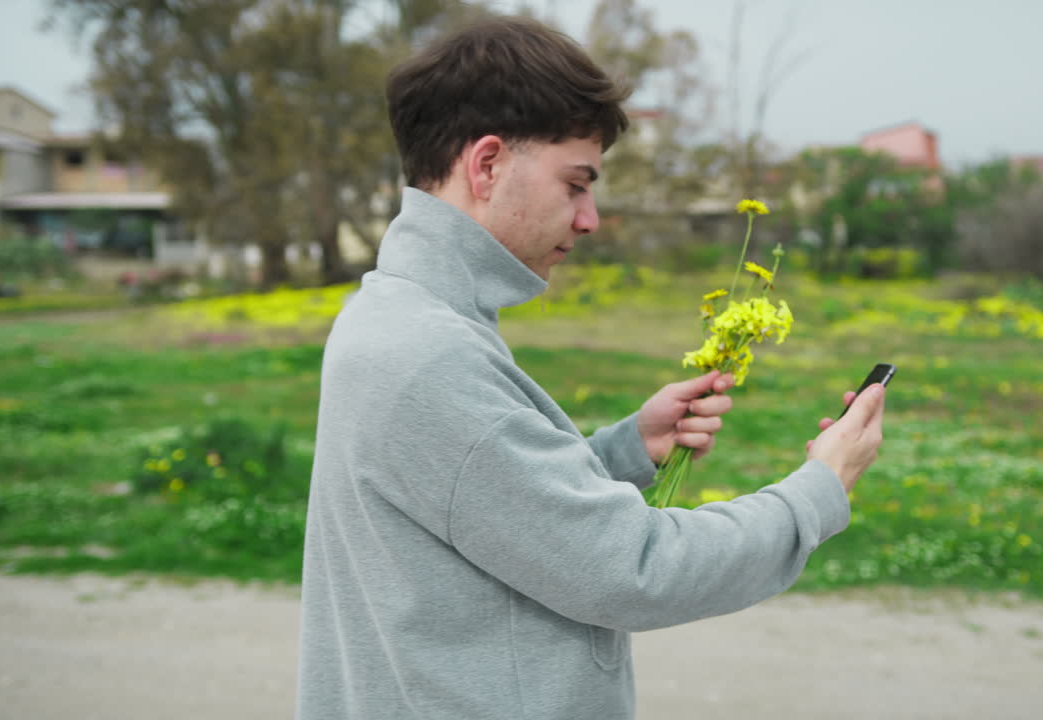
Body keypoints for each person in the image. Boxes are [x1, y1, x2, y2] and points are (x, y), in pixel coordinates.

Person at [295, 16, 885, 720]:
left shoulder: (397, 314)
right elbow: (635, 570)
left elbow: (484, 500)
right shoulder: (428, 356)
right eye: (576, 184)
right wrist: (820, 489)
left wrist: (625, 449)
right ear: (486, 165)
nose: (590, 218)